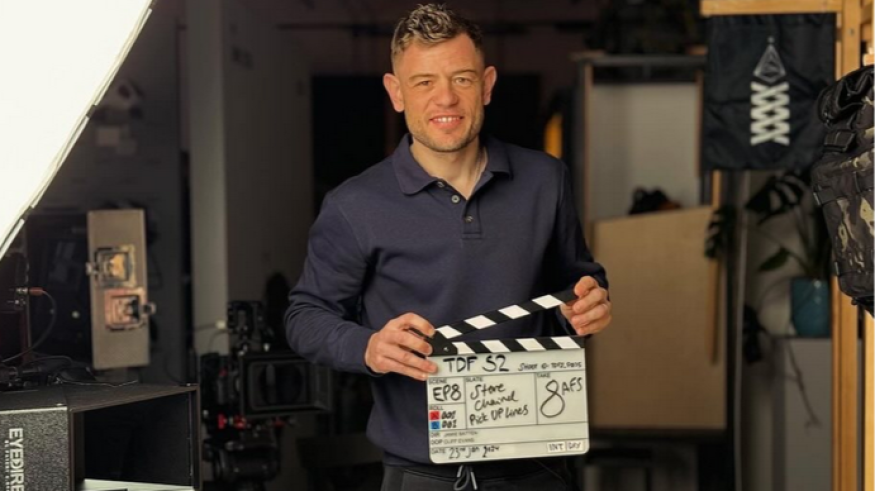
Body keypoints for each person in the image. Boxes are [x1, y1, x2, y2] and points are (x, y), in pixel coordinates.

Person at [285, 4, 612, 490]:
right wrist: (368, 346)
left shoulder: (545, 180)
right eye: (424, 82)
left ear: (487, 84)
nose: (446, 98)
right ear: (396, 93)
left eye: (462, 78)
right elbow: (305, 316)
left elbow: (576, 280)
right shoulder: (354, 205)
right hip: (423, 474)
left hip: (537, 464)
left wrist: (588, 304)